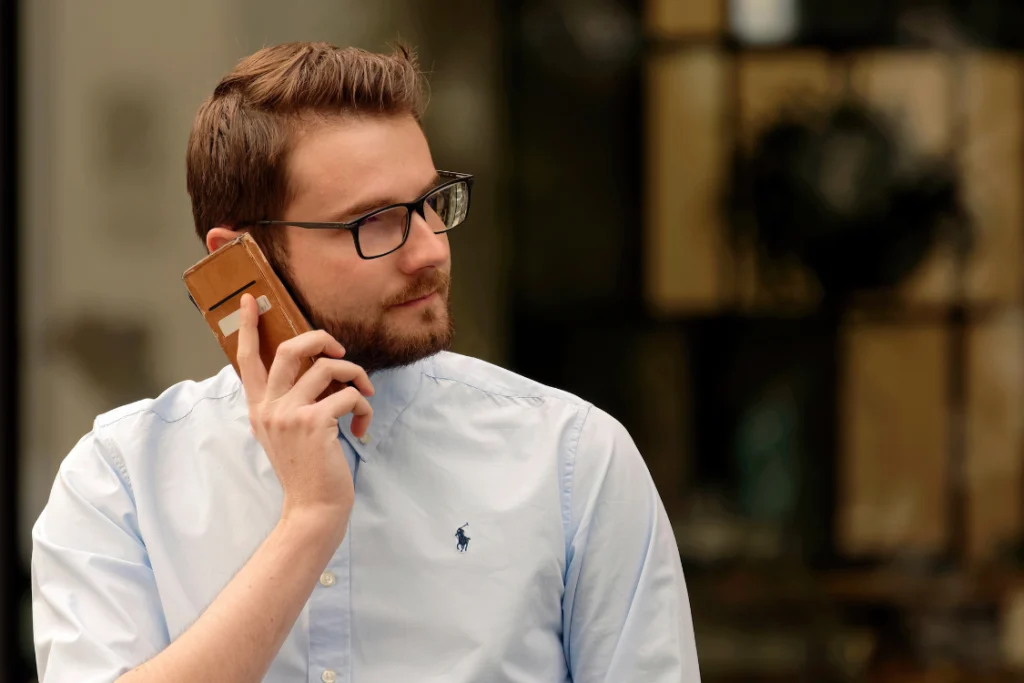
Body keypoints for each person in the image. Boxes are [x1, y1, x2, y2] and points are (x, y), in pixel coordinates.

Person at [31, 42, 701, 683]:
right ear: (240, 260)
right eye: (374, 221)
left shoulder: (572, 461)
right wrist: (308, 522)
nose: (430, 250)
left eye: (431, 203)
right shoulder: (120, 480)